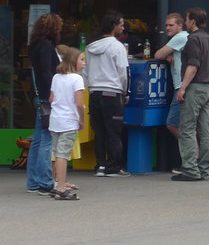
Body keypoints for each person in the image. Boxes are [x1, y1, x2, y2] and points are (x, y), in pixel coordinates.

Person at [173, 7, 209, 182]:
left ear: (193, 21)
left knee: (187, 129)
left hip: (195, 88)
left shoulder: (193, 40)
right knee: (206, 130)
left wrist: (183, 88)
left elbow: (193, 66)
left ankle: (190, 171)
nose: (185, 23)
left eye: (186, 20)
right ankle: (204, 170)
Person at [85, 11, 130, 176]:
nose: (123, 28)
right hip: (112, 92)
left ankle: (101, 166)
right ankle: (113, 167)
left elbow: (85, 72)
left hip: (94, 92)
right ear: (113, 26)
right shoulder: (117, 46)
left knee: (99, 131)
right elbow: (124, 72)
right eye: (121, 24)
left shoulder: (90, 47)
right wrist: (125, 92)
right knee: (114, 131)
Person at [25, 13, 63, 195]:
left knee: (38, 139)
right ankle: (45, 182)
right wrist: (54, 95)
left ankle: (33, 182)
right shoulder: (47, 46)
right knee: (47, 139)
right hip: (46, 97)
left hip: (38, 95)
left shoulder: (36, 45)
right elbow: (48, 73)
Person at [48, 48, 86, 200]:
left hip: (55, 119)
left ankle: (54, 183)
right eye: (82, 60)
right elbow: (79, 103)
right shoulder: (77, 79)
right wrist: (81, 119)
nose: (84, 63)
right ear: (73, 61)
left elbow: (51, 98)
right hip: (69, 121)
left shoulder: (56, 77)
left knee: (55, 153)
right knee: (63, 155)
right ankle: (61, 188)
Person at [154, 13, 189, 158]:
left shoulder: (179, 38)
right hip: (185, 86)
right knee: (191, 126)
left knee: (172, 123)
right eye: (166, 25)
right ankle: (198, 157)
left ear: (180, 25)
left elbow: (158, 55)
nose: (167, 28)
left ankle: (192, 154)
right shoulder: (185, 37)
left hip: (181, 87)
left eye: (171, 25)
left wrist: (167, 54)